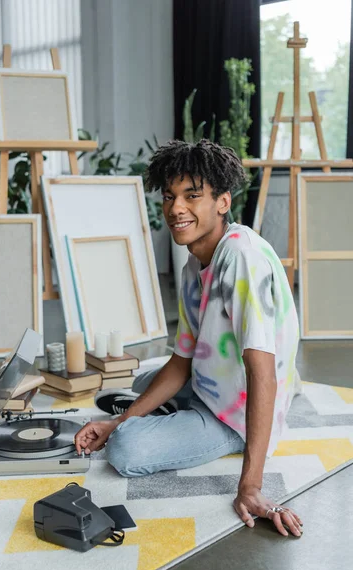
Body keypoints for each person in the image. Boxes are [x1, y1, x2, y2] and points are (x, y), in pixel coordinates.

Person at [75, 139, 303, 538]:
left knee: (126, 451)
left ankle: (192, 430)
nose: (176, 208)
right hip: (205, 383)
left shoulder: (242, 259)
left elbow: (261, 375)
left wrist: (250, 487)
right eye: (170, 196)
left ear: (222, 202)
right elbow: (181, 361)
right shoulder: (193, 264)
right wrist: (116, 421)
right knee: (143, 383)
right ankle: (155, 419)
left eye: (192, 196)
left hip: (233, 414)